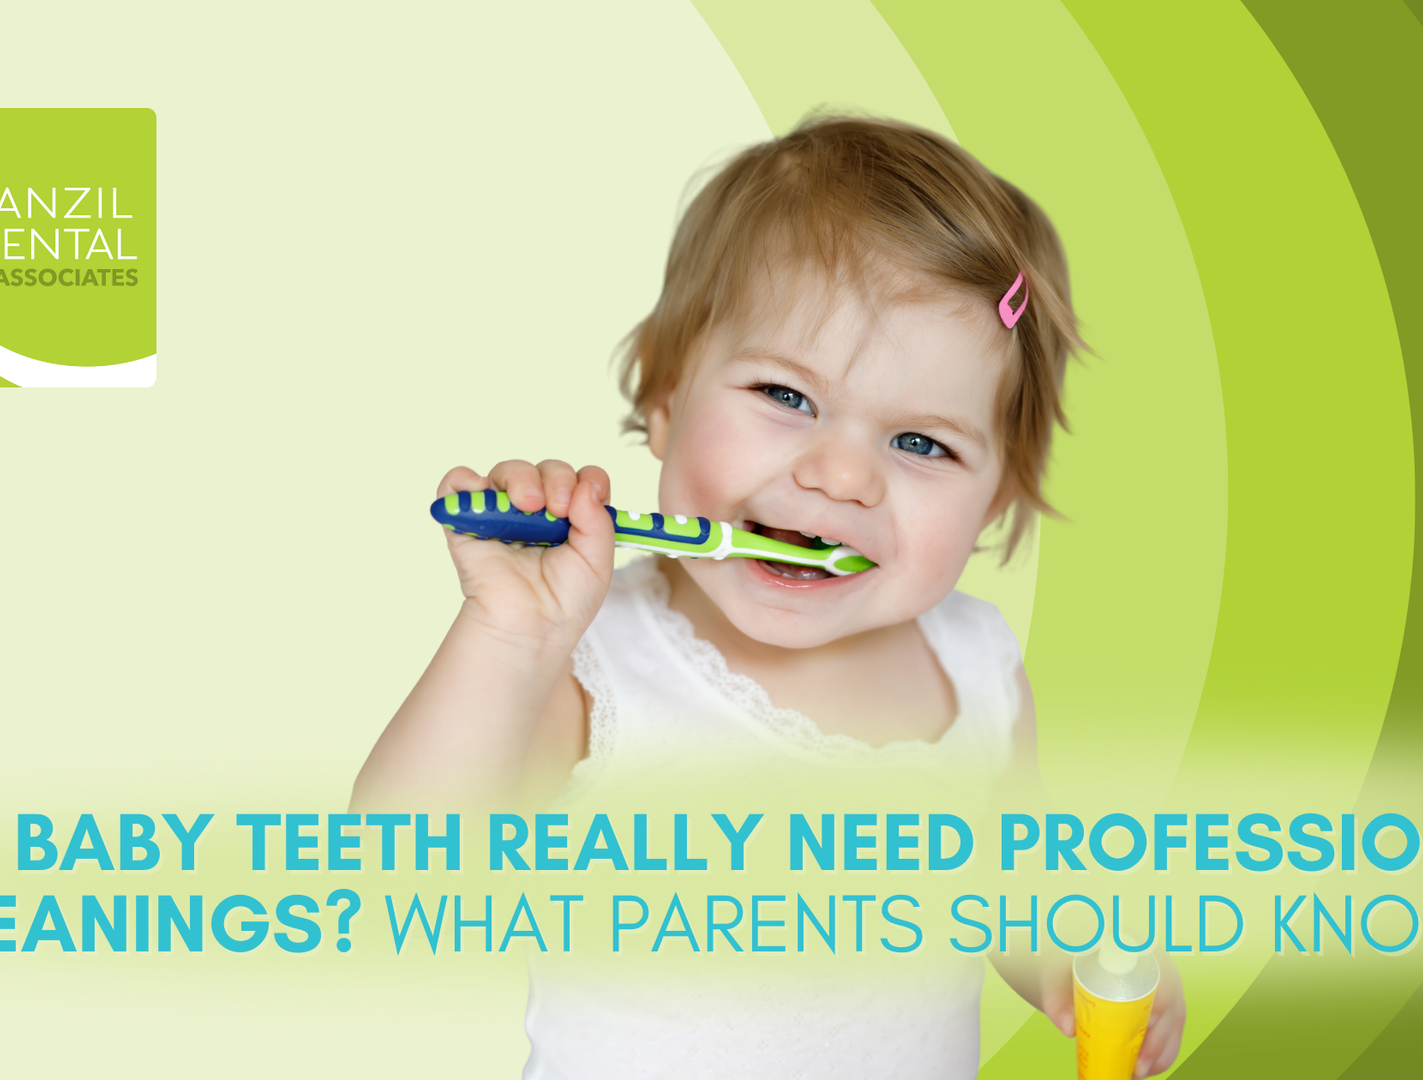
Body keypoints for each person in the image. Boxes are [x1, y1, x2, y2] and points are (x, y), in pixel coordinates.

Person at [353, 115, 1185, 1078]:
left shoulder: (977, 665)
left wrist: (1083, 958)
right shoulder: (595, 666)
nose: (840, 477)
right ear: (665, 398)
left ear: (994, 498)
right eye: (787, 396)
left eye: (922, 444)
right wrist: (510, 635)